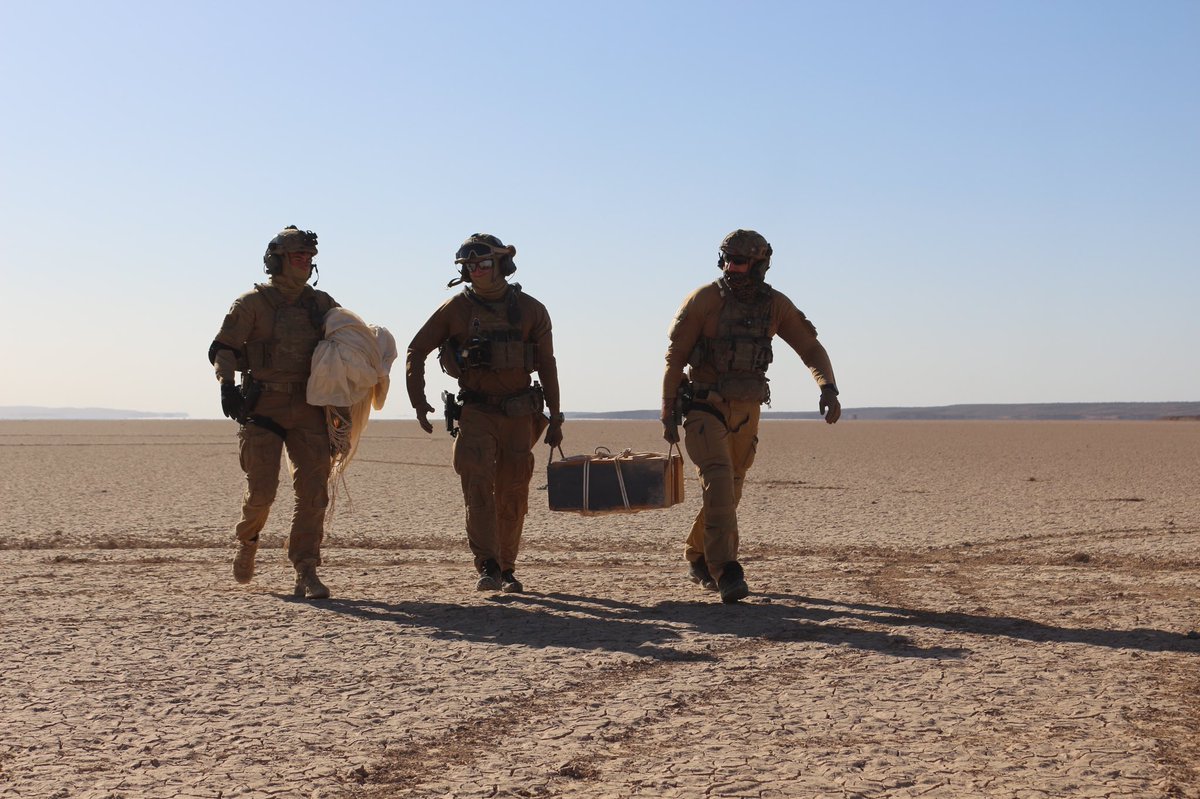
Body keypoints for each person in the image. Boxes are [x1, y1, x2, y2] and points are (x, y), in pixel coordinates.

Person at [661, 229, 841, 603]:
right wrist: (667, 411)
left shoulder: (774, 306)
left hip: (746, 412)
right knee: (720, 481)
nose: (732, 269)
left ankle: (696, 553)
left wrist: (828, 387)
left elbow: (808, 346)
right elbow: (675, 357)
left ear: (759, 265)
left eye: (740, 262)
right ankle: (726, 571)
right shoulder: (704, 300)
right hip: (703, 407)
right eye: (727, 261)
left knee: (731, 490)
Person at [406, 233, 563, 593]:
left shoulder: (531, 309)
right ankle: (487, 565)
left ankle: (508, 568)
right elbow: (417, 350)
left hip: (520, 414)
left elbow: (548, 365)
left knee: (513, 491)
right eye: (469, 266)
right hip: (476, 411)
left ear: (501, 264)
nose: (476, 271)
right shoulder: (455, 309)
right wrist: (418, 400)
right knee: (477, 490)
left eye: (484, 263)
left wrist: (556, 417)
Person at [208, 225, 340, 600]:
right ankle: (248, 540)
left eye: (309, 257)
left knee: (314, 494)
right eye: (297, 256)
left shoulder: (322, 304)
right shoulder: (252, 304)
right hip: (263, 406)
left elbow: (348, 343)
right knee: (262, 492)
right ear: (277, 260)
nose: (305, 262)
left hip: (310, 408)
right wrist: (227, 385)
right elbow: (224, 347)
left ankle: (306, 570)